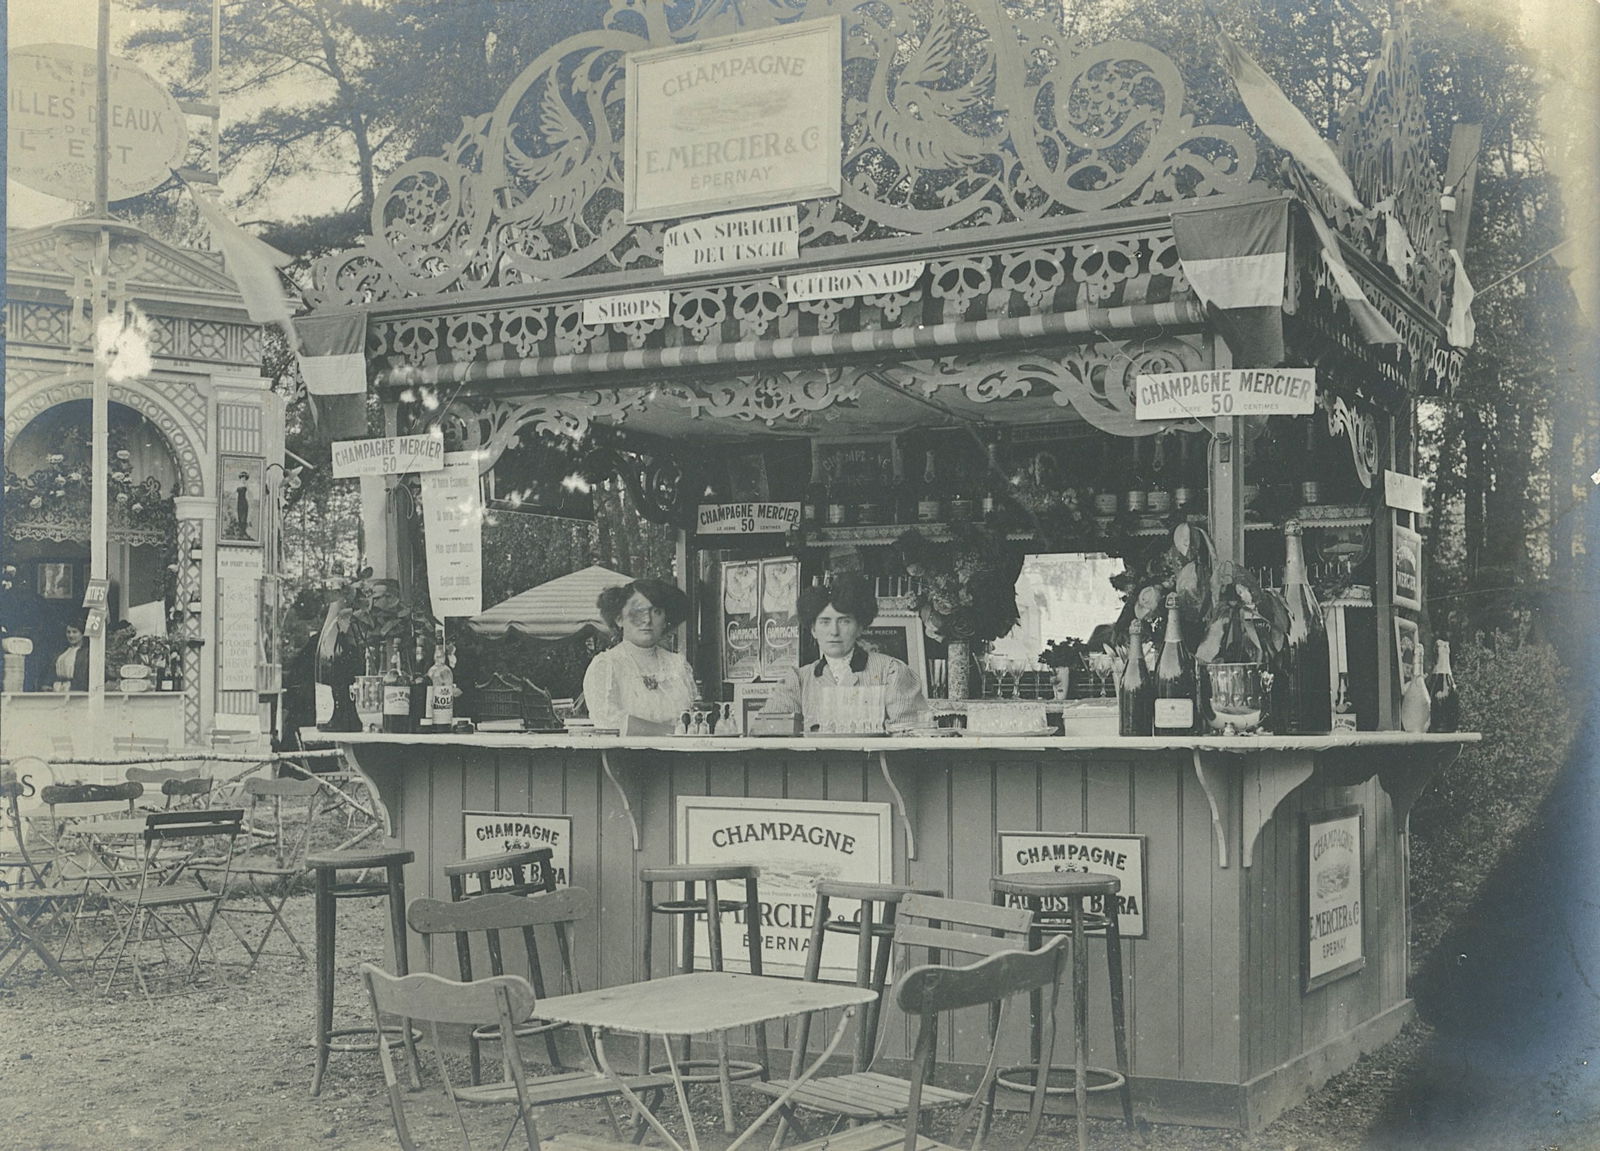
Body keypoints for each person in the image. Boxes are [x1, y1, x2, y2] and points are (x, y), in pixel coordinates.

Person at [760, 574, 931, 734]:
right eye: (825, 622)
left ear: (860, 628)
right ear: (813, 630)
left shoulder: (891, 672)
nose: (834, 632)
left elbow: (911, 738)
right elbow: (768, 732)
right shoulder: (798, 680)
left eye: (844, 621)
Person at [581, 578, 697, 734]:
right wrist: (672, 732)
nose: (647, 620)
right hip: (629, 756)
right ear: (619, 619)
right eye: (638, 611)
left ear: (665, 620)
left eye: (656, 612)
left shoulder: (677, 665)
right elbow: (609, 722)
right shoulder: (607, 666)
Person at [53, 620, 90, 693]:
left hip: (76, 691)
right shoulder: (62, 653)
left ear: (82, 634)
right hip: (58, 689)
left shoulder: (86, 653)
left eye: (74, 632)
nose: (71, 635)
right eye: (68, 632)